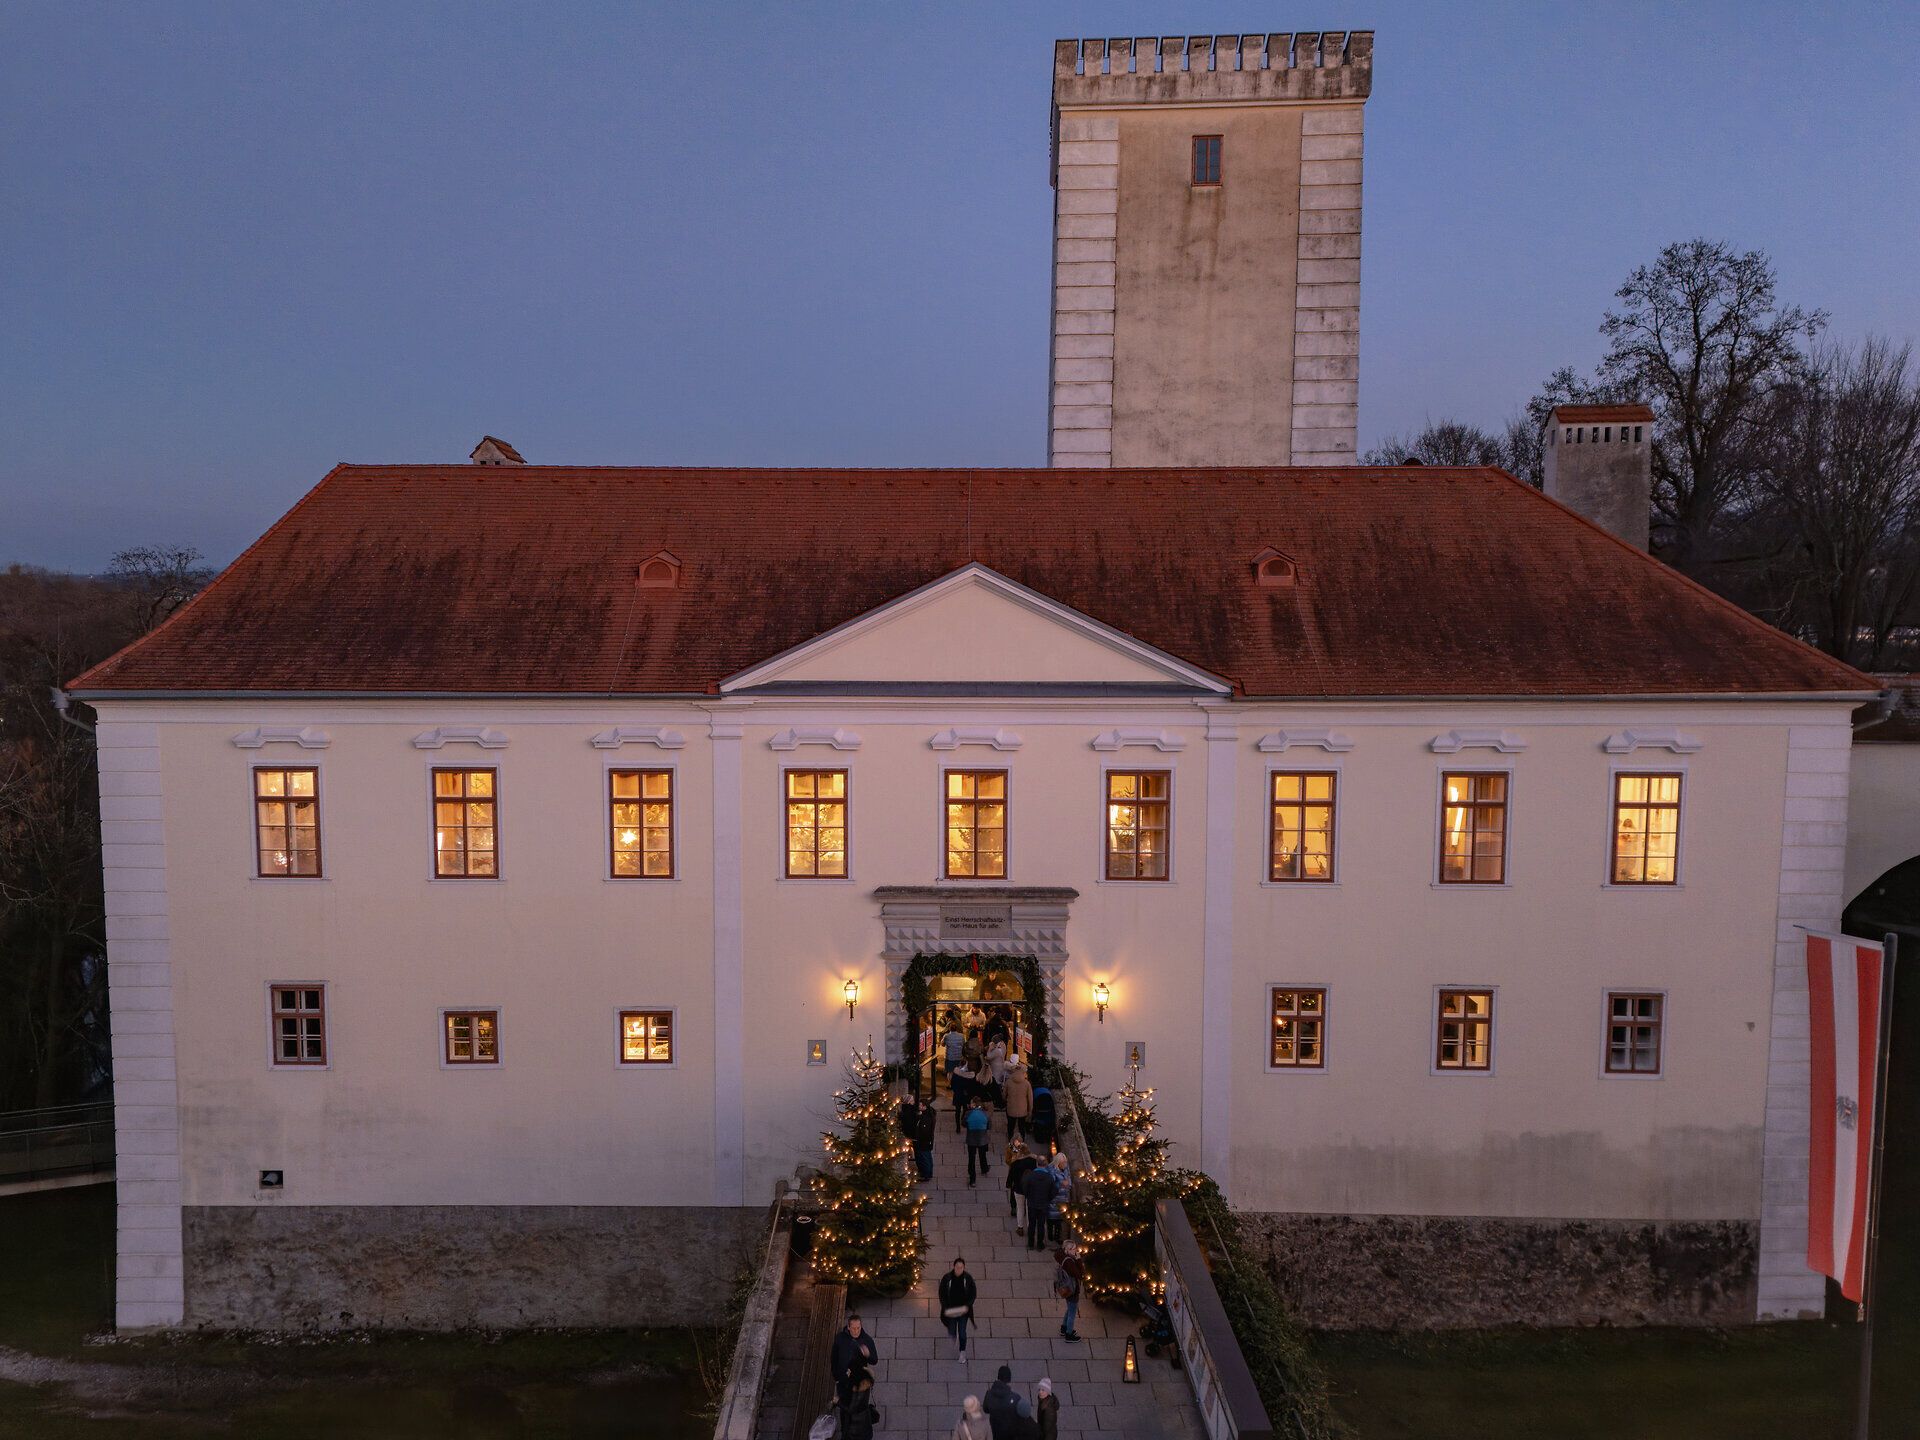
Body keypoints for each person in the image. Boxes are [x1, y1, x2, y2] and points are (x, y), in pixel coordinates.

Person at [829, 1312, 877, 1412]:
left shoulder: (867, 1340)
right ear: (848, 1327)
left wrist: (867, 1355)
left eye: (858, 1328)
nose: (856, 1331)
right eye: (853, 1328)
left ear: (861, 1326)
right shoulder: (840, 1338)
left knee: (856, 1406)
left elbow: (874, 1360)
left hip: (858, 1381)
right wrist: (836, 1376)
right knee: (844, 1406)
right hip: (843, 1380)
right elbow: (834, 1357)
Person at [938, 1256, 978, 1357]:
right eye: (957, 1267)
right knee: (951, 1329)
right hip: (951, 1310)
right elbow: (941, 1293)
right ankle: (953, 1336)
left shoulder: (968, 1278)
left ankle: (962, 1351)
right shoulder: (947, 1278)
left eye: (961, 1267)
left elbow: (973, 1293)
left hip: (963, 1311)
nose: (959, 1269)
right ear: (954, 1266)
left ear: (964, 1267)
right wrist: (945, 1306)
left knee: (962, 1332)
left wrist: (967, 1306)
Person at [982, 1364, 1034, 1438]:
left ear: (998, 1377)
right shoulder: (1015, 1397)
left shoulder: (989, 1394)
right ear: (1009, 1379)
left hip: (995, 1429)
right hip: (1010, 1432)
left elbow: (985, 1409)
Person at [1020, 1157, 1057, 1252]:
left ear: (1037, 1164)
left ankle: (1031, 1243)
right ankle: (1040, 1244)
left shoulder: (1030, 1176)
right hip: (1043, 1204)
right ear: (1046, 1164)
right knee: (1041, 1225)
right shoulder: (1049, 1177)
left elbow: (1025, 1188)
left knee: (1031, 1224)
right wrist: (1048, 1198)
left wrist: (1028, 1196)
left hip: (1032, 1203)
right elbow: (1054, 1191)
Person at [838, 1361, 880, 1440]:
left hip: (855, 1429)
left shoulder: (857, 1392)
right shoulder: (865, 1383)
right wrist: (860, 1368)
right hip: (864, 1423)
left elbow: (851, 1409)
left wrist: (838, 1402)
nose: (867, 1385)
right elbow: (871, 1374)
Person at [1052, 1242, 1084, 1342]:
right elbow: (1080, 1274)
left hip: (1066, 1288)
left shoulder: (1062, 1257)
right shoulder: (1069, 1262)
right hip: (1072, 1290)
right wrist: (1078, 1260)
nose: (1076, 1251)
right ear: (1068, 1250)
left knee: (1070, 1308)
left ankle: (1064, 1328)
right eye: (1074, 1249)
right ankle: (1069, 1334)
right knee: (1072, 1313)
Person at [1005, 1141, 1037, 1233]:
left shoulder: (1015, 1163)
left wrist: (1009, 1184)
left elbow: (1011, 1176)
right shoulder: (1033, 1161)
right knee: (1029, 1208)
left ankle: (1020, 1227)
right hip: (1030, 1188)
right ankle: (1030, 1227)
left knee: (1020, 1208)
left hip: (1018, 1188)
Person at [964, 1097, 992, 1185]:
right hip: (982, 1139)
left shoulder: (968, 1113)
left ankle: (972, 1179)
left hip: (971, 1139)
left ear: (974, 1104)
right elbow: (989, 1126)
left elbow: (963, 1123)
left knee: (971, 1159)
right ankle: (984, 1168)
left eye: (971, 1103)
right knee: (982, 1155)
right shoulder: (985, 1114)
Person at [1002, 1062, 1032, 1142]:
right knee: (1021, 1127)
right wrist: (1030, 1110)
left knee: (1010, 1126)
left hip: (1011, 1109)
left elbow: (1004, 1095)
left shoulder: (1008, 1082)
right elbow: (1030, 1099)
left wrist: (1006, 1101)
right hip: (1023, 1110)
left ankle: (1010, 1140)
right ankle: (1021, 1142)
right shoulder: (1027, 1084)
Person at [1045, 1153, 1071, 1245]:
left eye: (1065, 1162)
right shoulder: (1051, 1170)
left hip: (1063, 1199)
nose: (1065, 1164)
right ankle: (1050, 1235)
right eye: (1063, 1162)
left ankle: (1057, 1236)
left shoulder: (1066, 1170)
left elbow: (1069, 1182)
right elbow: (1050, 1184)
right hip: (1054, 1199)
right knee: (1051, 1218)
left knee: (1059, 1220)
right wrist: (1060, 1184)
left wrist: (1068, 1184)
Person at [912, 1098, 938, 1181]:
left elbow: (924, 1131)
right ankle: (929, 1173)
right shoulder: (926, 1114)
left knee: (925, 1158)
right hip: (926, 1141)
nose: (918, 1106)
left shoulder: (926, 1118)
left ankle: (926, 1175)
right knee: (928, 1157)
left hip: (924, 1141)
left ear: (924, 1106)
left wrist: (919, 1139)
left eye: (920, 1105)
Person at [1029, 1081, 1056, 1153]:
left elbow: (1032, 1104)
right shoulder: (1046, 1091)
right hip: (1048, 1108)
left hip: (1039, 1108)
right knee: (1046, 1122)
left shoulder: (1034, 1091)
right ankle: (1047, 1137)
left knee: (1039, 1123)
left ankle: (1039, 1139)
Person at [951, 1063, 977, 1129]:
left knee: (957, 1111)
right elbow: (973, 1087)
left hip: (958, 1095)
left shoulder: (956, 1073)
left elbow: (952, 1084)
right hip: (966, 1096)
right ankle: (963, 1119)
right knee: (965, 1109)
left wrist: (956, 1091)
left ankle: (958, 1127)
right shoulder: (971, 1075)